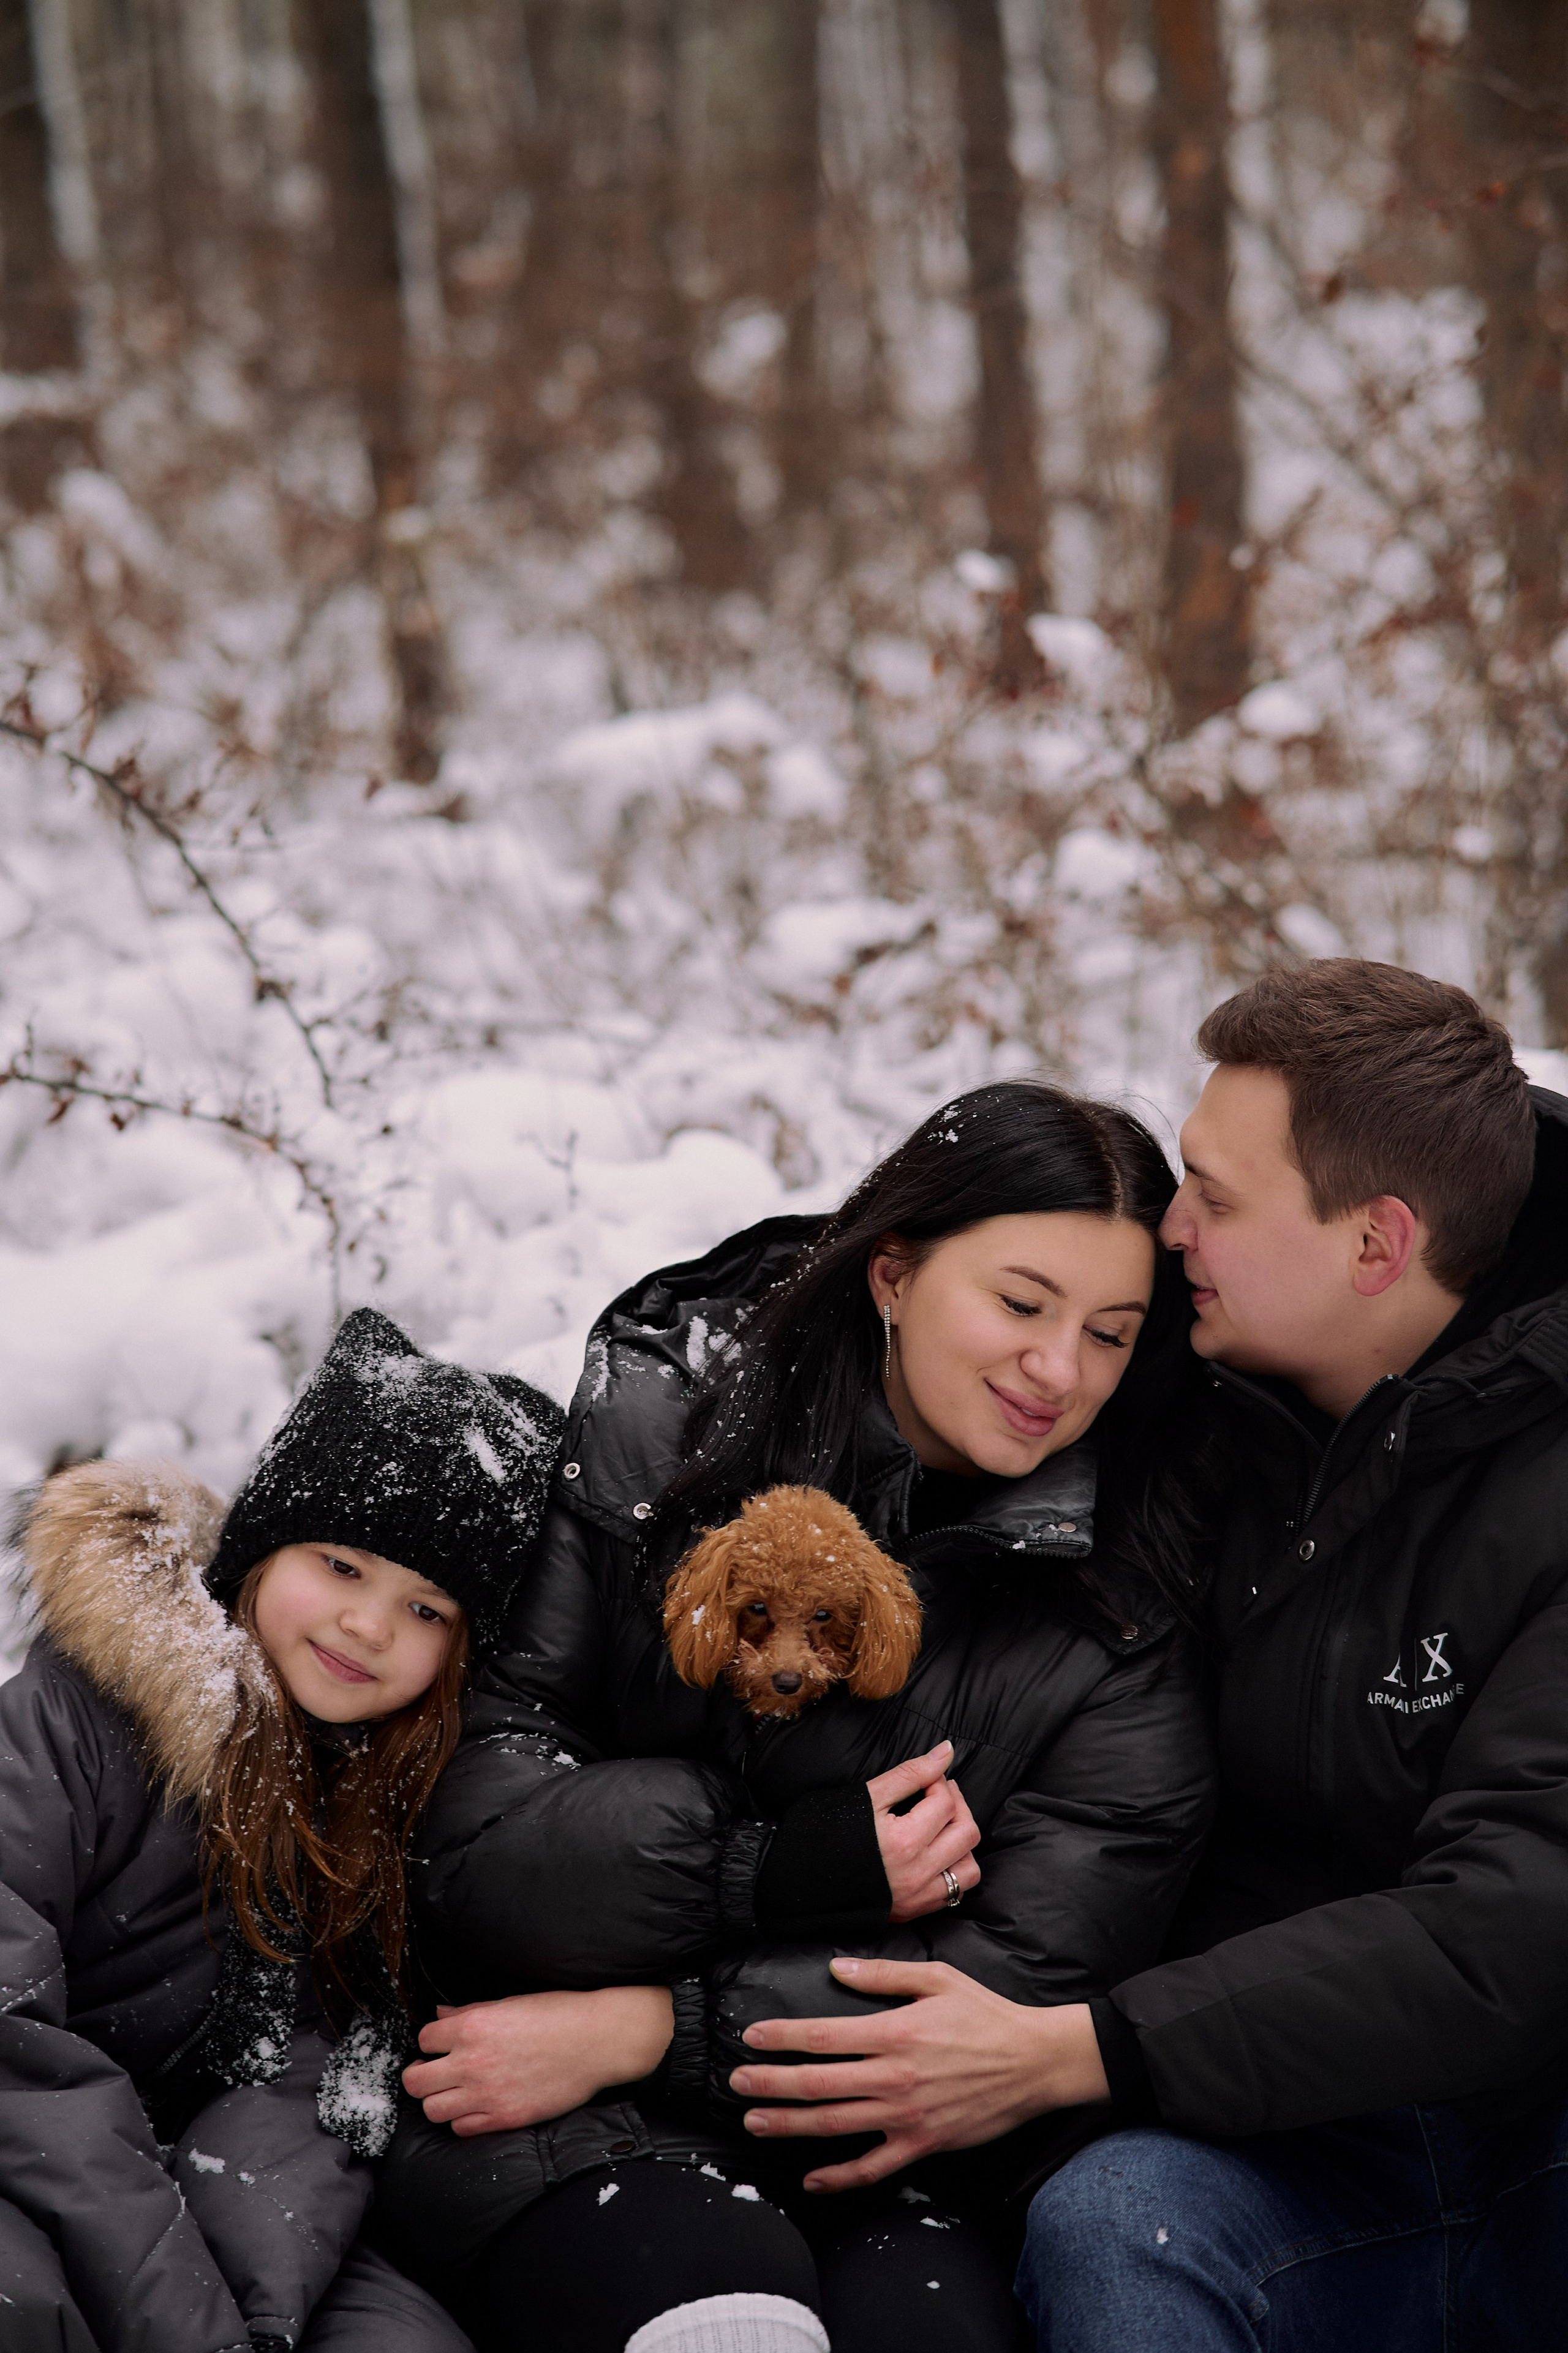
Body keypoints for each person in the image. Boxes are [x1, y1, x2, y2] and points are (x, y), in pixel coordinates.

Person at [729, 960, 1568, 2352]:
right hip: (1277, 2131)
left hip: (1535, 2114)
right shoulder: (1169, 1365)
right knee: (1116, 2226)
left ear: (1374, 1246)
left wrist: (1079, 2048)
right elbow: (908, 1296)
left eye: (1214, 1195)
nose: (1172, 1227)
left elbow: (1515, 1922)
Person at [376, 1081, 1218, 2353]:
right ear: (891, 1274)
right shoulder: (660, 1430)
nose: (1058, 1371)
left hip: (891, 2156)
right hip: (558, 2114)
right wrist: (770, 1867)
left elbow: (1016, 1980)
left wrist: (653, 2022)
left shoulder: (1120, 1595)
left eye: (1109, 1332)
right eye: (1019, 1303)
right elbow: (478, 1845)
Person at [0, 1306, 563, 2353]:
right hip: (32, 2161)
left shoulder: (395, 1803)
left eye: (427, 1608)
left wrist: (255, 2311)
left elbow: (314, 2080)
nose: (368, 1625)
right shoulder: (79, 1719)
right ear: (263, 1544)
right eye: (342, 1566)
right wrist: (191, 2317)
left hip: (221, 2214)